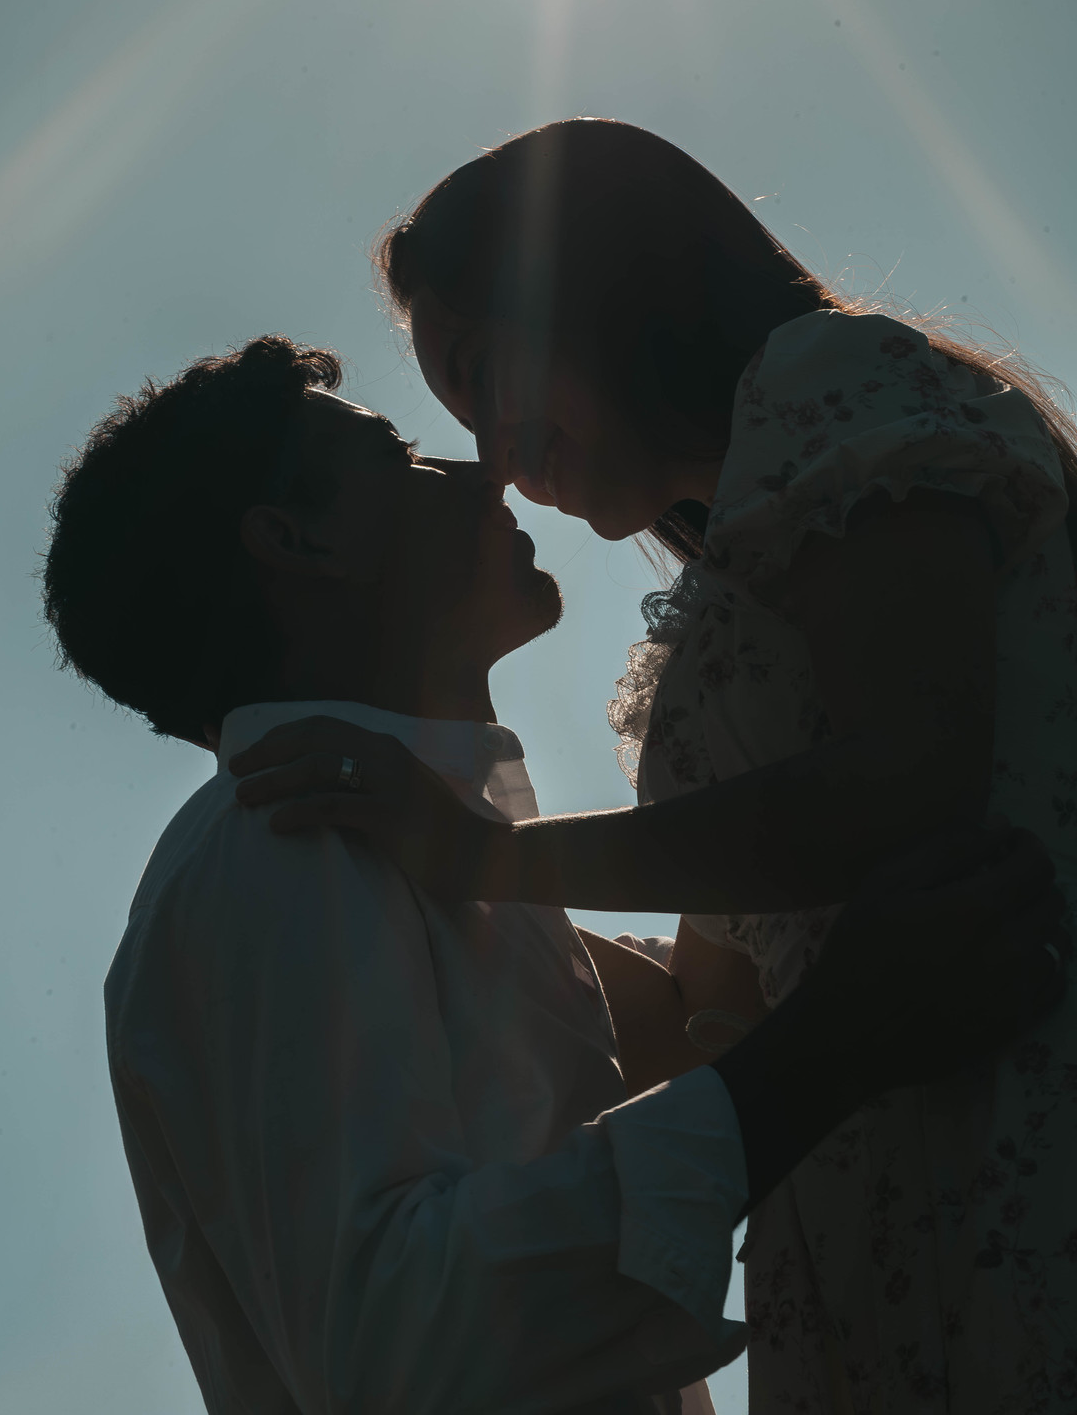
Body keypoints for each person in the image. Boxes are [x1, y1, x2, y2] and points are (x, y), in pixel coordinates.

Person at [43, 334, 1062, 1415]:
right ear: (297, 540)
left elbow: (683, 1020)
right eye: (396, 453)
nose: (479, 468)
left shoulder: (403, 860)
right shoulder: (280, 837)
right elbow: (395, 1344)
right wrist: (836, 1041)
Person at [230, 120, 1077, 1413]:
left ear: (597, 287)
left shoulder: (827, 374)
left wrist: (484, 859)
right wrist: (408, 919)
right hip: (878, 1230)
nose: (498, 457)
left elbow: (913, 772)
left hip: (1012, 1152)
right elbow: (708, 1009)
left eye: (487, 375)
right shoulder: (740, 579)